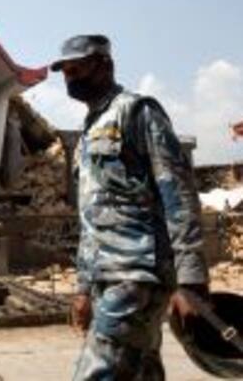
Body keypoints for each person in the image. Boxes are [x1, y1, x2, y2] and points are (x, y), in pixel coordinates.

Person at [50, 34, 210, 380]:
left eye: (79, 68)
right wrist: (82, 288)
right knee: (141, 372)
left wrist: (191, 279)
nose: (71, 77)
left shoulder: (138, 111)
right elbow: (90, 219)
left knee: (96, 374)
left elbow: (178, 193)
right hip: (106, 275)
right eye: (65, 70)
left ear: (105, 65)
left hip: (138, 273)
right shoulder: (89, 129)